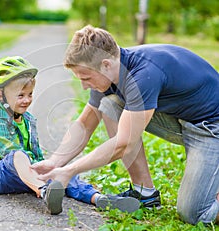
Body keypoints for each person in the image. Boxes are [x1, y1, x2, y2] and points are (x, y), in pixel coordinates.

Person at [31, 25, 219, 224]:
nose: (84, 86)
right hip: (184, 120)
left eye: (86, 78)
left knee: (195, 214)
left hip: (211, 128)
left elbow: (123, 143)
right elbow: (85, 126)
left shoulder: (143, 74)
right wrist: (55, 162)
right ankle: (144, 193)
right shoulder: (109, 73)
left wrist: (70, 171)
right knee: (110, 104)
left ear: (105, 64)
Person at [0, 56, 140, 215]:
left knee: (61, 172)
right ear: (1, 95)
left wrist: (50, 170)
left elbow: (35, 153)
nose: (27, 100)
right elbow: (9, 152)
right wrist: (41, 175)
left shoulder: (28, 119)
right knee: (18, 155)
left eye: (30, 94)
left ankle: (98, 199)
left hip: (27, 176)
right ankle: (45, 192)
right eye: (20, 96)